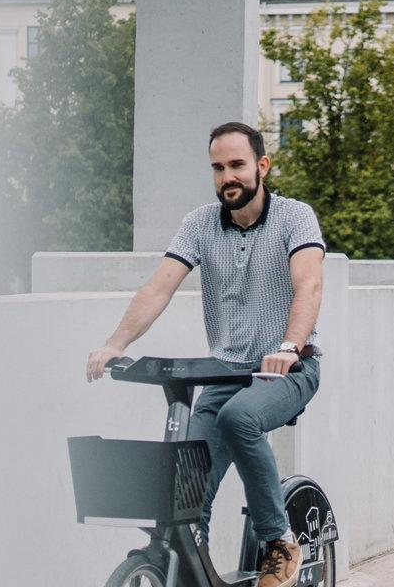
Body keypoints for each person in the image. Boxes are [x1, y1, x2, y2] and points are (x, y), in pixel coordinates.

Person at [85, 122, 326, 587]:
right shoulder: (199, 224)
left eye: (236, 165)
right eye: (218, 168)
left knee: (239, 418)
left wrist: (288, 346)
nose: (226, 177)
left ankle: (280, 541)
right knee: (188, 492)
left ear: (262, 165)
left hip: (290, 368)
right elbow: (159, 287)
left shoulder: (295, 217)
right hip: (223, 372)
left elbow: (308, 285)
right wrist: (117, 343)